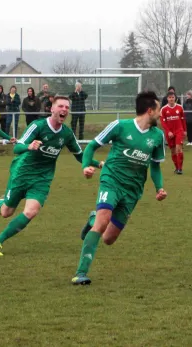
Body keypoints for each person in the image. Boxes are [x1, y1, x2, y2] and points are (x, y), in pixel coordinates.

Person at [0, 96, 103, 257]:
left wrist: (97, 164)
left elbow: (80, 155)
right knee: (6, 212)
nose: (64, 110)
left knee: (31, 211)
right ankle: (1, 203)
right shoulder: (37, 126)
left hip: (42, 178)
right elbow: (17, 148)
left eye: (67, 108)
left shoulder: (67, 134)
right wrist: (29, 146)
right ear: (51, 109)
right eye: (60, 106)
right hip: (23, 173)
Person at [71, 91, 168, 285]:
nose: (160, 114)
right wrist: (85, 167)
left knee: (108, 238)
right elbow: (91, 147)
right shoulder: (119, 126)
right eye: (158, 110)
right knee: (103, 222)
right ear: (149, 110)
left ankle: (92, 218)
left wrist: (159, 188)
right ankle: (80, 273)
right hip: (111, 180)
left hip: (133, 191)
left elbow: (155, 166)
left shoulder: (158, 136)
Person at [160, 92, 186, 174]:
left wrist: (184, 130)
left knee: (179, 149)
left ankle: (180, 169)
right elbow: (163, 123)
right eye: (169, 97)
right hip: (170, 133)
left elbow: (183, 120)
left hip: (179, 130)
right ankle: (176, 167)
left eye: (173, 97)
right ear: (167, 99)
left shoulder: (180, 107)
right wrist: (168, 132)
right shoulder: (163, 109)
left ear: (175, 98)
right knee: (173, 151)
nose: (171, 99)